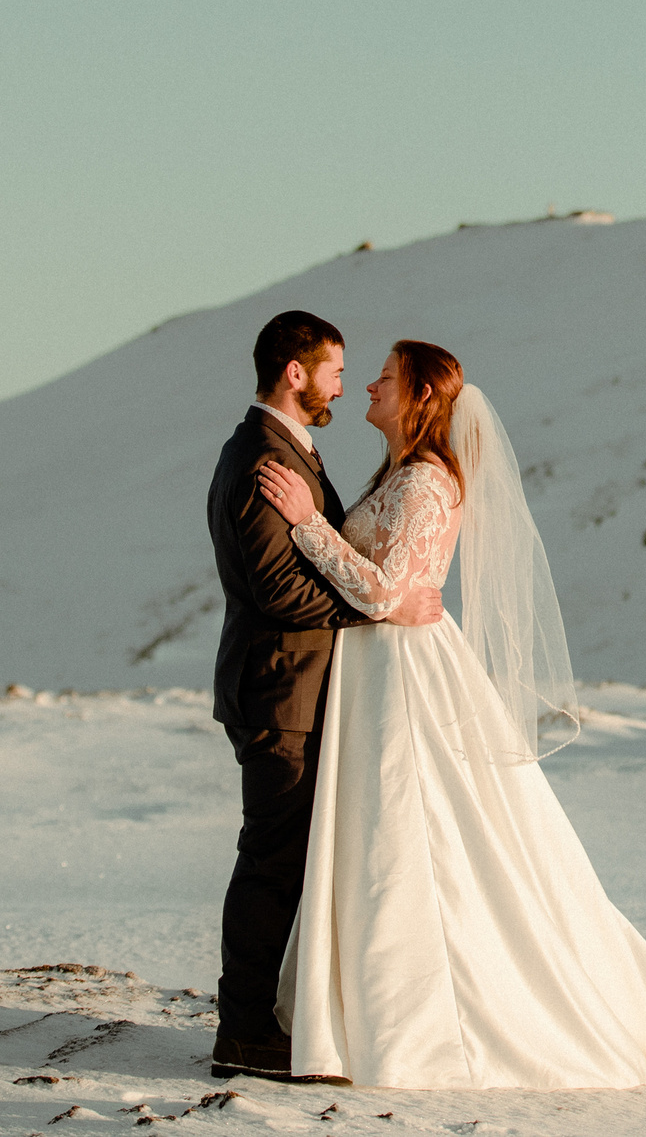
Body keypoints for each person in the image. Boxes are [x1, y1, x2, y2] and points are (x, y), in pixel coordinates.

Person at [254, 337, 646, 1089]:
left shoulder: (425, 483)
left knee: (414, 836)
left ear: (419, 398)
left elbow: (384, 594)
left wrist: (309, 522)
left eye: (387, 376)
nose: (370, 386)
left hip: (403, 676)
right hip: (377, 672)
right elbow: (390, 591)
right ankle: (364, 1011)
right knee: (381, 838)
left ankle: (414, 1024)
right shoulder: (400, 473)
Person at [205, 311, 443, 1082]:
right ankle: (243, 1032)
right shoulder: (256, 459)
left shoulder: (292, 451)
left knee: (292, 860)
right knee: (272, 862)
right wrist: (383, 605)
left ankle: (275, 1018)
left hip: (304, 689)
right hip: (279, 688)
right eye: (338, 368)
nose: (351, 382)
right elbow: (278, 589)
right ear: (296, 372)